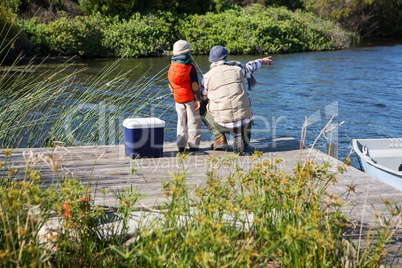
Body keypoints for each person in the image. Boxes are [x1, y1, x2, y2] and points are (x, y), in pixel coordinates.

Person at [200, 45, 273, 155]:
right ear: (226, 57)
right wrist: (262, 61)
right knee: (244, 103)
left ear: (211, 60)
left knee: (201, 107)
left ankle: (219, 137)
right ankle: (241, 139)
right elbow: (250, 66)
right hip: (244, 122)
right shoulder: (238, 69)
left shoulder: (207, 77)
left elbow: (203, 97)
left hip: (221, 123)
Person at [168, 40, 201, 152]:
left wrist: (175, 94)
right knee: (193, 122)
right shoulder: (190, 67)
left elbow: (170, 84)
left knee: (181, 122)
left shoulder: (171, 67)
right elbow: (194, 84)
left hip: (178, 99)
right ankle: (194, 146)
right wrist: (198, 99)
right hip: (190, 99)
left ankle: (181, 146)